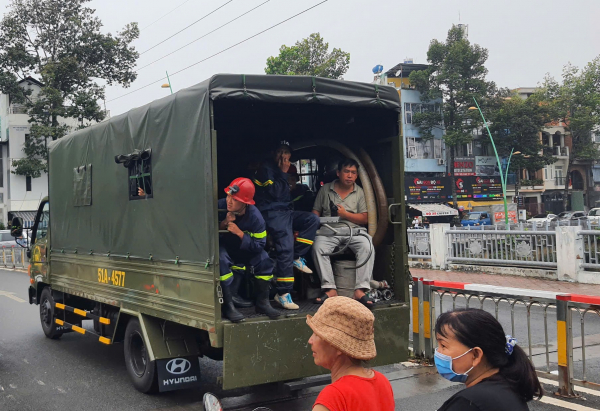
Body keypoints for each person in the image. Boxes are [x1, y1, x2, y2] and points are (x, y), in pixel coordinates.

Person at [253, 143, 320, 310]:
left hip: (286, 211)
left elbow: (285, 194)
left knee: (312, 220)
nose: (284, 157)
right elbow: (275, 193)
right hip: (271, 213)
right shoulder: (266, 168)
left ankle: (296, 256)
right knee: (285, 246)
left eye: (287, 153)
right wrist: (283, 172)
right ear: (274, 154)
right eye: (280, 152)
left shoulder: (285, 171)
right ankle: (283, 293)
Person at [435, 308, 543, 411]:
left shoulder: (469, 403)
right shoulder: (506, 387)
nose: (438, 352)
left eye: (443, 345)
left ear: (476, 355)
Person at [307, 296, 395, 411]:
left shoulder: (333, 397)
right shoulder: (382, 382)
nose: (310, 340)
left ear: (338, 346)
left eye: (317, 334)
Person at [311, 158, 375, 309]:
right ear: (338, 173)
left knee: (368, 246)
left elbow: (365, 218)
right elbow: (315, 212)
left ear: (357, 176)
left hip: (354, 230)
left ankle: (360, 290)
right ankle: (330, 289)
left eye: (353, 173)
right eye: (346, 172)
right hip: (329, 230)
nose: (350, 176)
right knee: (317, 247)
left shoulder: (360, 192)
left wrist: (345, 215)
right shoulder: (326, 189)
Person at [217, 178, 280, 322]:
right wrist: (224, 223)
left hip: (244, 249)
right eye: (228, 196)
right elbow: (206, 234)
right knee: (221, 259)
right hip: (223, 248)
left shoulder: (256, 217)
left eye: (235, 199)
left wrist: (239, 233)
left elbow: (259, 245)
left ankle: (262, 303)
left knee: (264, 260)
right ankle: (228, 306)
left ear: (245, 203)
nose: (229, 201)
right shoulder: (218, 205)